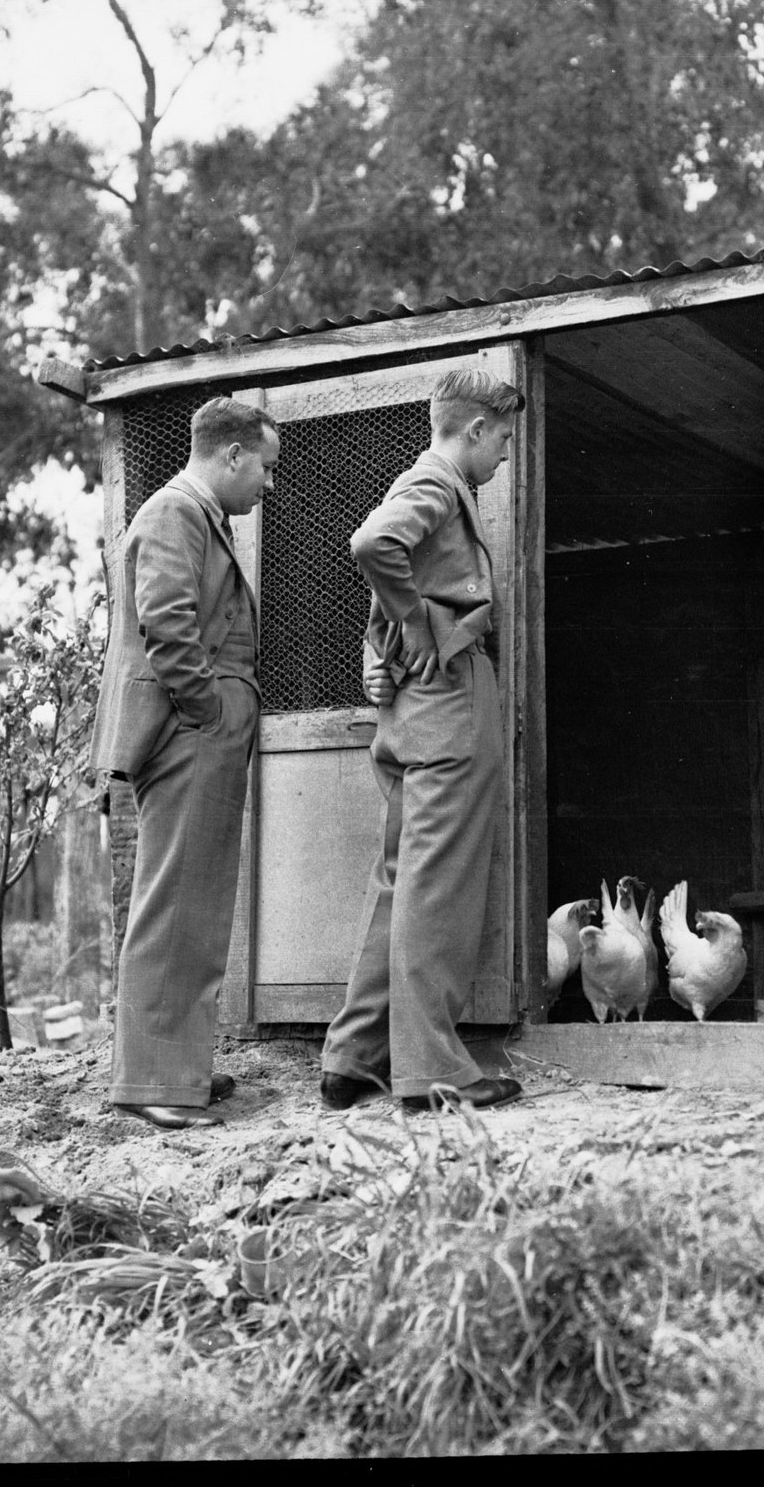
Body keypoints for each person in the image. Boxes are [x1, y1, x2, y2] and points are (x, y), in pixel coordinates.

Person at [319, 368, 526, 1113]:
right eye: (501, 440)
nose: (504, 456)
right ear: (473, 431)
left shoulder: (428, 482)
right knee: (436, 886)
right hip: (447, 702)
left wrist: (387, 639)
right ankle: (432, 1071)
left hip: (411, 707)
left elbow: (387, 565)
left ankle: (353, 1059)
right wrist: (414, 623)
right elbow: (374, 544)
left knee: (400, 876)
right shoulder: (438, 484)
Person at [92, 396, 277, 1129]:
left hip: (198, 727)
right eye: (264, 467)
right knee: (175, 905)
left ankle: (179, 1069)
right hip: (187, 728)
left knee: (194, 906)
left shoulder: (201, 515)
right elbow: (166, 620)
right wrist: (209, 709)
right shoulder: (174, 511)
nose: (268, 484)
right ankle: (156, 1087)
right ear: (230, 454)